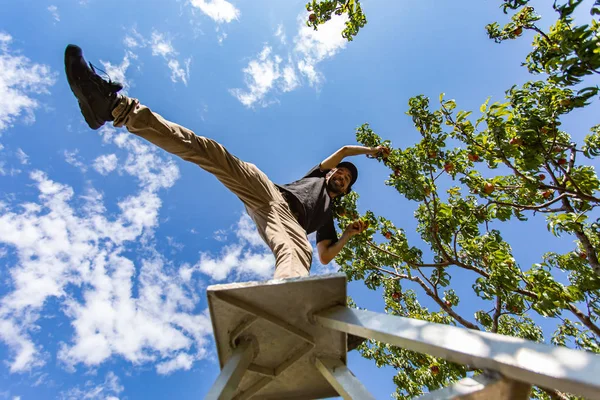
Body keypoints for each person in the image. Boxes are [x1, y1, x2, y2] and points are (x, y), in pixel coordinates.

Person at [64, 44, 390, 281]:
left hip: (293, 223)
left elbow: (324, 256)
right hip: (268, 191)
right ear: (331, 171)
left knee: (298, 253)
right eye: (341, 172)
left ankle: (289, 299)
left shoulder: (327, 217)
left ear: (345, 190)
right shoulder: (318, 175)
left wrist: (347, 235)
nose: (342, 177)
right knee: (211, 152)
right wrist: (372, 150)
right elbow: (345, 149)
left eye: (347, 180)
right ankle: (117, 109)